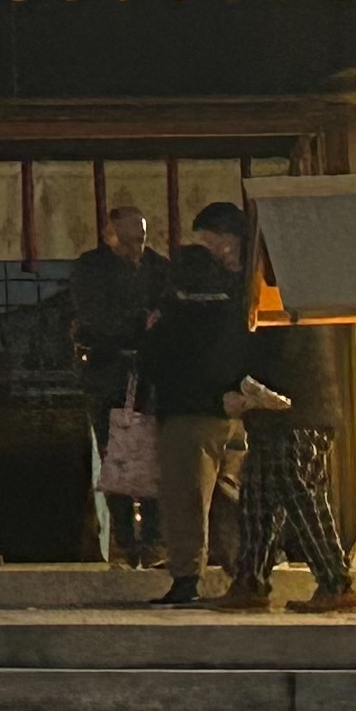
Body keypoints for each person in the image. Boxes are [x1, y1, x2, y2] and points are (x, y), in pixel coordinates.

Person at [142, 202, 254, 610]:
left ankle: (187, 577)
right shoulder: (235, 305)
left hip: (186, 415)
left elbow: (154, 362)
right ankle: (246, 569)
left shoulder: (177, 316)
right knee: (231, 495)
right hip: (232, 412)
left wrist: (152, 330)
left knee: (186, 499)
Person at [220, 327, 356, 613]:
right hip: (283, 414)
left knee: (301, 497)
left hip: (294, 415)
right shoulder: (286, 302)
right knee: (257, 499)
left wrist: (244, 386)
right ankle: (249, 582)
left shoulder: (283, 304)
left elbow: (279, 357)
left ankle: (335, 582)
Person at [67, 203, 171, 562]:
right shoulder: (91, 268)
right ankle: (125, 540)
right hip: (108, 371)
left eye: (139, 239)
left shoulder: (159, 268)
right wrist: (142, 320)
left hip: (153, 373)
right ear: (108, 235)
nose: (135, 247)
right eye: (127, 239)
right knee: (116, 456)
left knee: (156, 453)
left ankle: (156, 538)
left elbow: (170, 313)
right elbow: (96, 318)